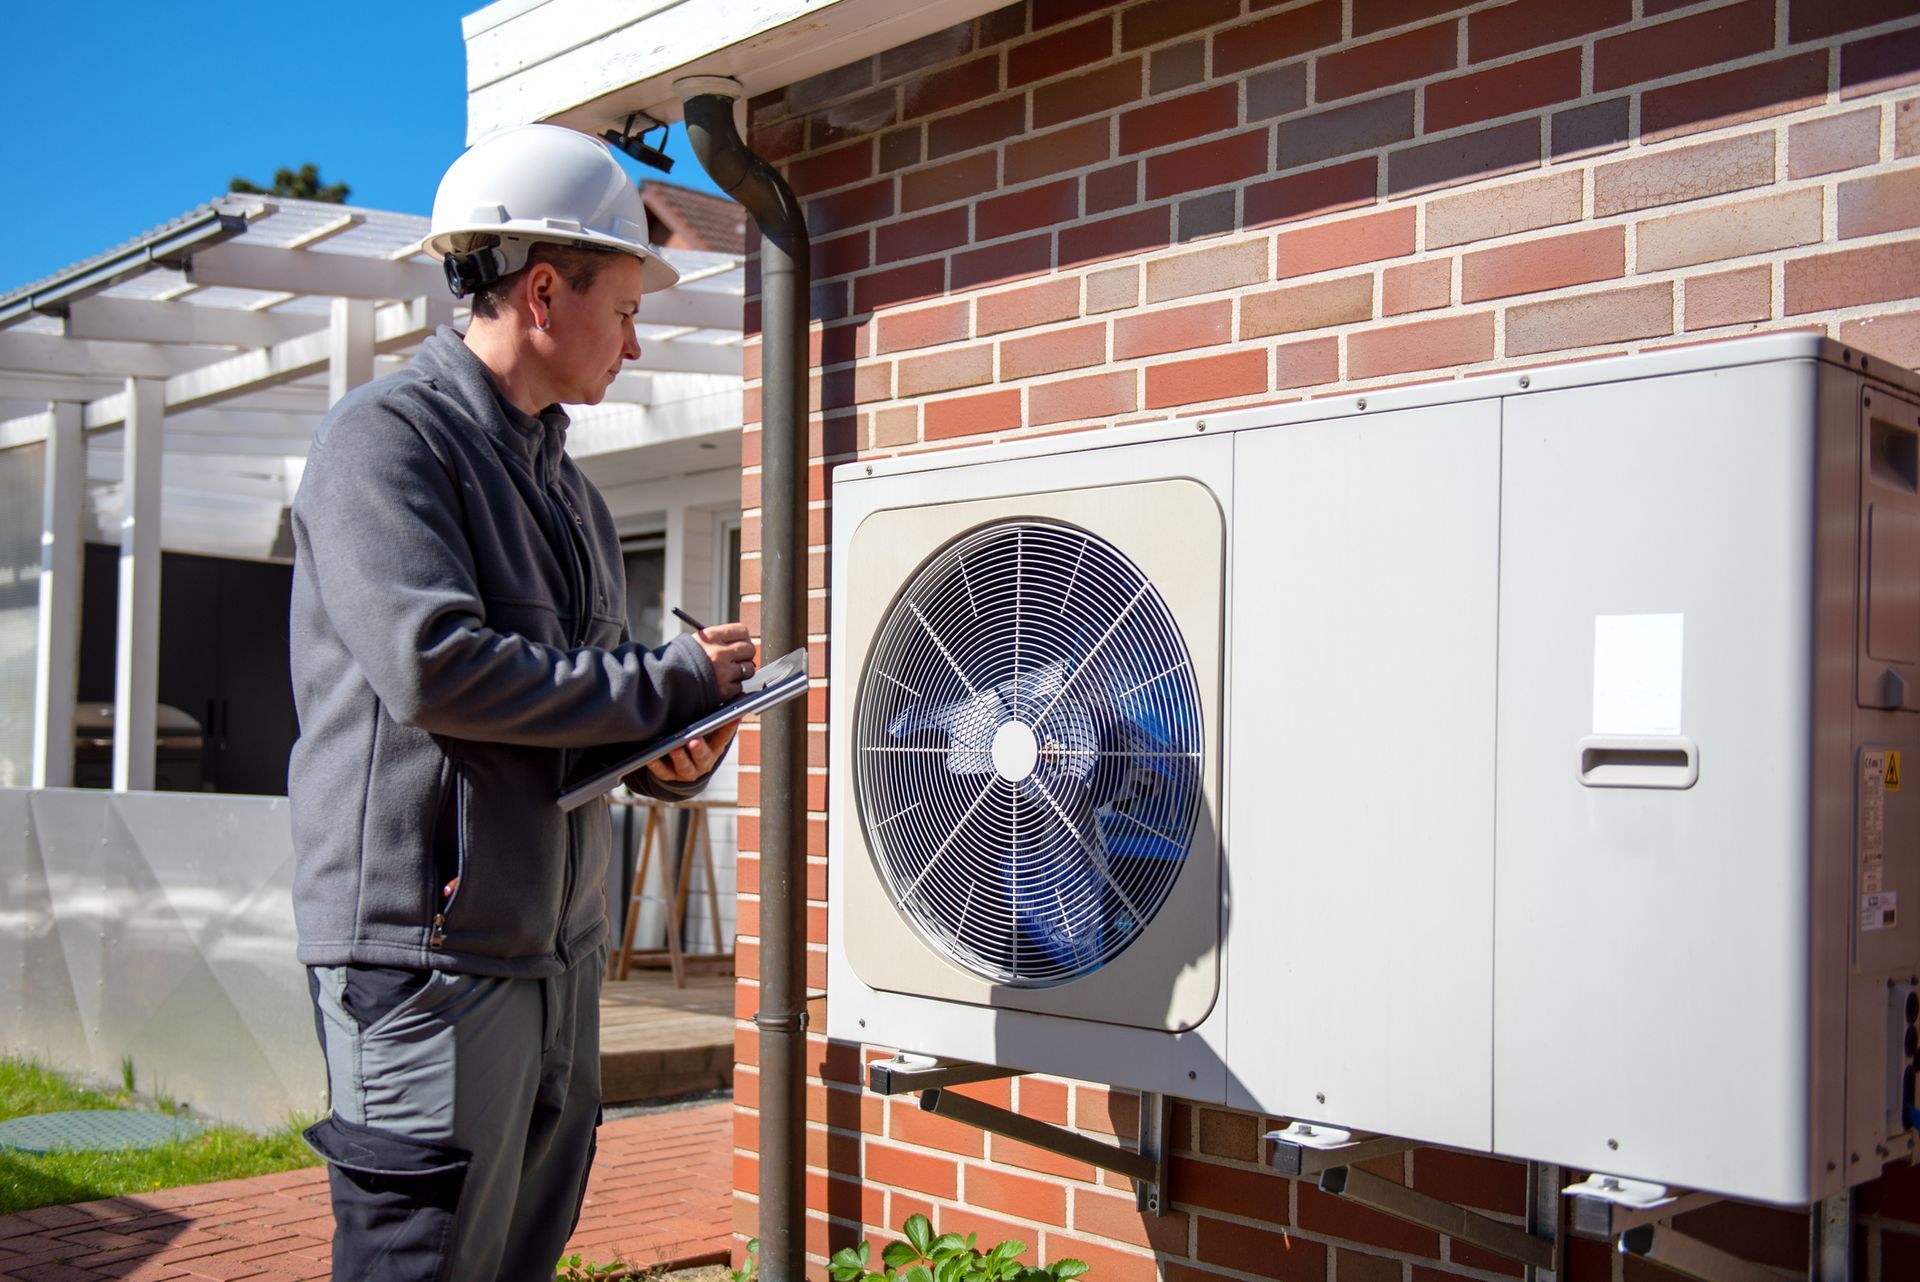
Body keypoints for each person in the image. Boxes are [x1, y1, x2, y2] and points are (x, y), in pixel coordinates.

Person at [285, 123, 756, 1282]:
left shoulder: (578, 500)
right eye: (629, 310)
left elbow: (565, 715)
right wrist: (665, 684)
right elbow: (435, 666)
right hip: (429, 963)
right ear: (545, 291)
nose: (638, 345)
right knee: (423, 1263)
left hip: (557, 962)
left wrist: (668, 748)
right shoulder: (384, 444)